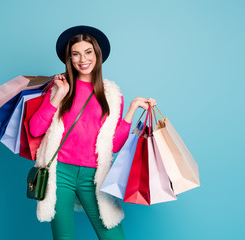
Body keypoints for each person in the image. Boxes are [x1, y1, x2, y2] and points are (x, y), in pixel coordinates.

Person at [29, 25, 156, 240]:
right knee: (64, 237)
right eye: (75, 54)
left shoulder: (112, 94)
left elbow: (113, 146)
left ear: (97, 54)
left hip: (94, 176)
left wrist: (132, 110)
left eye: (88, 52)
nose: (82, 59)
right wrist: (59, 95)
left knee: (113, 236)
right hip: (60, 174)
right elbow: (34, 129)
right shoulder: (58, 87)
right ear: (69, 58)